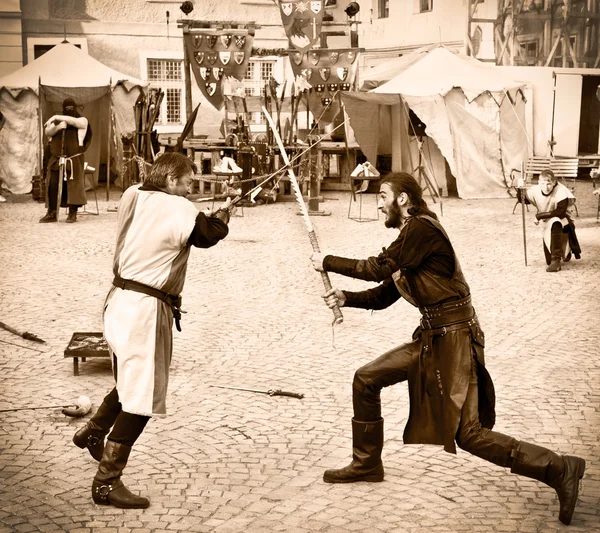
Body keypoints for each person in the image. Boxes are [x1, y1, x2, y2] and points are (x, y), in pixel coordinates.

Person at [310, 172, 585, 526]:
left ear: (403, 200)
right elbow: (385, 293)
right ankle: (367, 463)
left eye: (382, 196)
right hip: (430, 337)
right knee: (366, 379)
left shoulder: (420, 230)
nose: (378, 204)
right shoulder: (409, 241)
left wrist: (327, 261)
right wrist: (347, 298)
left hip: (455, 339)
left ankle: (559, 467)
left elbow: (375, 269)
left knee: (468, 433)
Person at [72, 152, 233, 509]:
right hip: (145, 310)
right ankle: (105, 483)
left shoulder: (133, 194)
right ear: (172, 180)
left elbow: (185, 224)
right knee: (143, 397)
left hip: (118, 301)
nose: (189, 192)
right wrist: (224, 213)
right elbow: (207, 235)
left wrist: (211, 212)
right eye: (187, 184)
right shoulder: (177, 208)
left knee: (132, 380)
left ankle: (93, 430)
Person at [39, 98, 92, 223]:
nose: (68, 110)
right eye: (66, 108)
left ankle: (72, 213)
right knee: (52, 185)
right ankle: (52, 212)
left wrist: (56, 116)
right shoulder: (57, 122)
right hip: (56, 160)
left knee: (74, 187)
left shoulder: (82, 120)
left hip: (73, 160)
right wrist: (58, 127)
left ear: (74, 107)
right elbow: (48, 132)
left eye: (70, 107)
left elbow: (79, 123)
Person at [517, 169, 581, 272]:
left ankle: (556, 260)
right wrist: (520, 189)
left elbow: (560, 212)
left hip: (563, 221)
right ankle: (563, 252)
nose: (546, 187)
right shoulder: (535, 190)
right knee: (548, 260)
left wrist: (539, 216)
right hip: (547, 222)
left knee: (555, 221)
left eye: (549, 184)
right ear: (539, 182)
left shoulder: (561, 190)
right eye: (543, 183)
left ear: (554, 182)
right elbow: (523, 200)